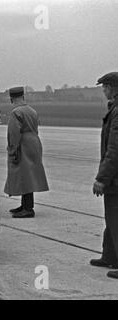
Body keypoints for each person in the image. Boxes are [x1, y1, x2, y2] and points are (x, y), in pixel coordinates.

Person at [4, 86, 49, 218]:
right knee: (29, 175)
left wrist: (12, 149)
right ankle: (25, 205)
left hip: (23, 144)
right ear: (23, 96)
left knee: (24, 176)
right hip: (34, 142)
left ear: (12, 99)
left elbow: (14, 133)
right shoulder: (32, 111)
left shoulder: (16, 112)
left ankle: (28, 208)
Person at [90, 72, 118, 279]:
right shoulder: (114, 109)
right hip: (114, 177)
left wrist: (102, 178)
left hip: (115, 178)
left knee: (116, 218)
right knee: (112, 217)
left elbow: (114, 149)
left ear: (113, 88)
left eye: (105, 87)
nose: (103, 91)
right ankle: (109, 255)